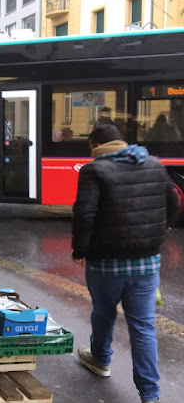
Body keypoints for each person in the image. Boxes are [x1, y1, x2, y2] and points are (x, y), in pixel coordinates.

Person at [72, 124, 179, 403]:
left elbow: (84, 213)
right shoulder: (154, 163)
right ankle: (150, 394)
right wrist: (166, 227)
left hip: (105, 262)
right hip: (146, 262)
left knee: (104, 313)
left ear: (95, 143)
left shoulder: (93, 170)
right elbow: (174, 200)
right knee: (143, 327)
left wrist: (80, 249)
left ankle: (100, 359)